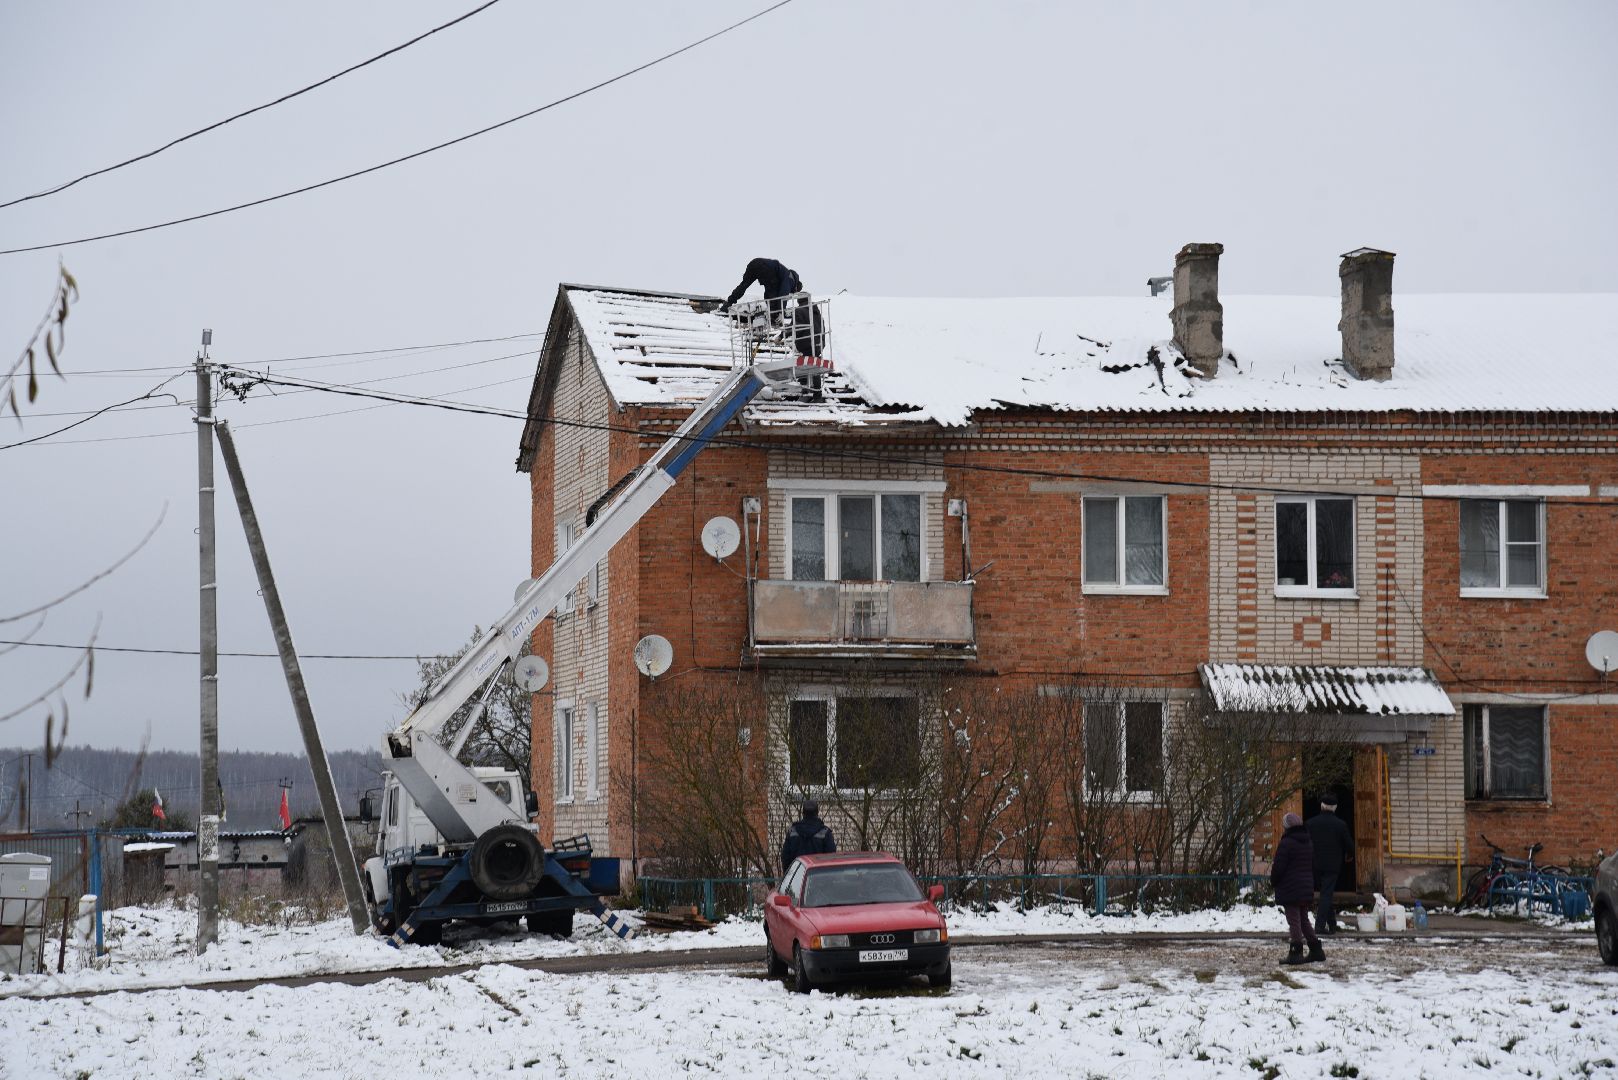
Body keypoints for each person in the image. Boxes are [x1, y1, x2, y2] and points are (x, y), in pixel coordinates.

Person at [1271, 812, 1324, 965]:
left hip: (1290, 888)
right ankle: (1316, 950)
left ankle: (1296, 952)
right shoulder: (1308, 842)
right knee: (1303, 919)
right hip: (1305, 886)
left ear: (1286, 827)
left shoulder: (1286, 843)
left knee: (1294, 920)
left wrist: (1273, 881)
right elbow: (1313, 865)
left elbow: (1279, 867)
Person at [1307, 793, 1353, 935]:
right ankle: (1320, 926)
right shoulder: (1340, 824)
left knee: (1326, 894)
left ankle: (1332, 924)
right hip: (1333, 865)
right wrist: (1349, 855)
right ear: (1335, 808)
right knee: (1326, 894)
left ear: (1322, 806)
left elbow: (1305, 843)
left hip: (1315, 864)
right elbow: (1349, 845)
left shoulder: (1310, 823)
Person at [720, 257, 803, 321]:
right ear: (795, 287)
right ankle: (774, 317)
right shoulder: (790, 278)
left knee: (744, 285)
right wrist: (781, 312)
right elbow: (783, 294)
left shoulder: (784, 274)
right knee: (772, 293)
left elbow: (768, 295)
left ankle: (728, 303)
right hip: (765, 268)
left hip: (754, 263)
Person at [780, 799, 836, 873]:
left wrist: (788, 875)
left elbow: (785, 857)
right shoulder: (825, 832)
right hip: (819, 876)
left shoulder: (792, 832)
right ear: (817, 812)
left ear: (803, 813)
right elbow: (831, 858)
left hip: (797, 876)